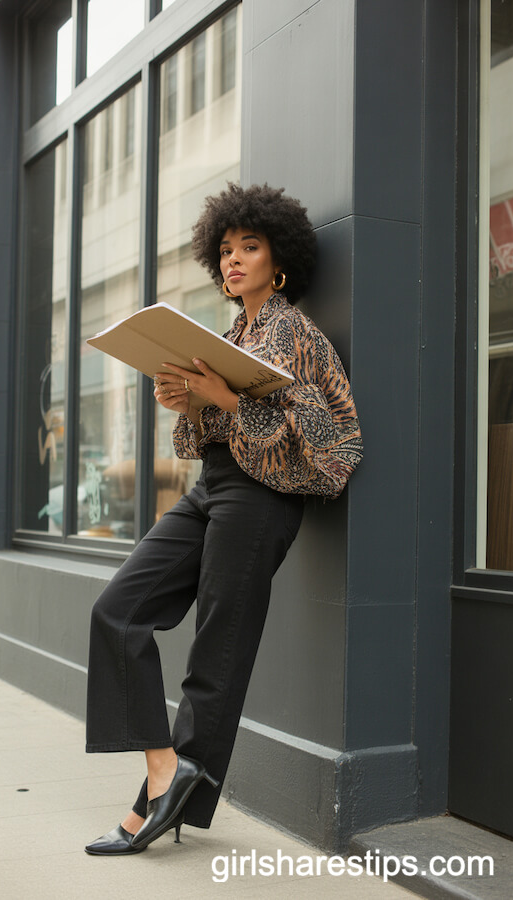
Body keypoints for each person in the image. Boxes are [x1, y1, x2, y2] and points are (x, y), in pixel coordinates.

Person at [84, 183, 363, 855]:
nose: (235, 259)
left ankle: (152, 807)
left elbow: (326, 436)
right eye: (227, 249)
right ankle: (163, 770)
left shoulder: (293, 331)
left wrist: (227, 401)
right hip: (212, 487)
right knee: (117, 611)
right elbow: (202, 439)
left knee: (218, 653)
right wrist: (189, 402)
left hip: (262, 498)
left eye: (251, 247)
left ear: (280, 260)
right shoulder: (232, 331)